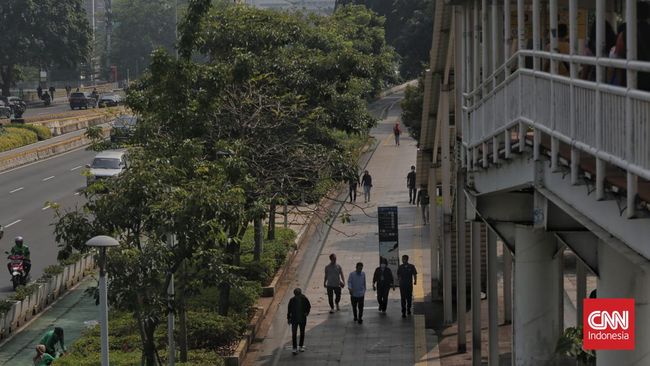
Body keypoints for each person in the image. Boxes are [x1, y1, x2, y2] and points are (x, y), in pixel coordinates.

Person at [287, 288, 311, 355]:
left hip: (302, 319)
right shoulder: (292, 300)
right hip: (294, 319)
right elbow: (289, 310)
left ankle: (300, 346)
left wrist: (306, 312)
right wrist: (288, 318)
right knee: (294, 334)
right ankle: (294, 348)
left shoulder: (304, 299)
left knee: (302, 332)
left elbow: (308, 306)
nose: (297, 296)